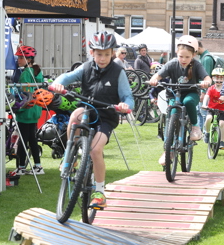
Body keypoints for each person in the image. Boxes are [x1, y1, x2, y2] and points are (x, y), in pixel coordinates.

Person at [52, 31, 133, 209]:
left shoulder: (118, 72)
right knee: (75, 116)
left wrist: (125, 105)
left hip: (107, 115)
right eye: (98, 54)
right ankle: (69, 155)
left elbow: (128, 97)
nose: (102, 58)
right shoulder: (86, 67)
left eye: (106, 54)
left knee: (95, 150)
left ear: (112, 53)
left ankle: (99, 192)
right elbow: (66, 77)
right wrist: (58, 83)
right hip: (88, 109)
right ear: (92, 53)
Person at [150, 35, 212, 164]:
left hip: (191, 93)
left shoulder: (197, 65)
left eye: (187, 57)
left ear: (194, 55)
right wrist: (154, 79)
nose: (183, 59)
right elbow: (159, 74)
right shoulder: (172, 63)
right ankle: (168, 151)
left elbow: (207, 77)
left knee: (188, 102)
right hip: (173, 94)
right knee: (171, 116)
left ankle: (195, 127)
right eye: (181, 56)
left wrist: (206, 82)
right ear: (177, 54)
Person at [11, 46, 44, 176]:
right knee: (32, 139)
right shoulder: (37, 71)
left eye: (20, 57)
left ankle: (20, 167)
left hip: (26, 110)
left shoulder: (25, 73)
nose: (18, 60)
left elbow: (24, 94)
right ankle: (38, 166)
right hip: (36, 109)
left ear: (28, 59)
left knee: (23, 141)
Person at [202, 68, 224, 149]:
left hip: (222, 110)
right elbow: (206, 96)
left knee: (222, 123)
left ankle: (222, 141)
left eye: (221, 78)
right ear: (213, 78)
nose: (219, 80)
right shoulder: (211, 88)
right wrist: (204, 104)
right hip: (211, 109)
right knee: (208, 118)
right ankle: (207, 133)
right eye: (217, 78)